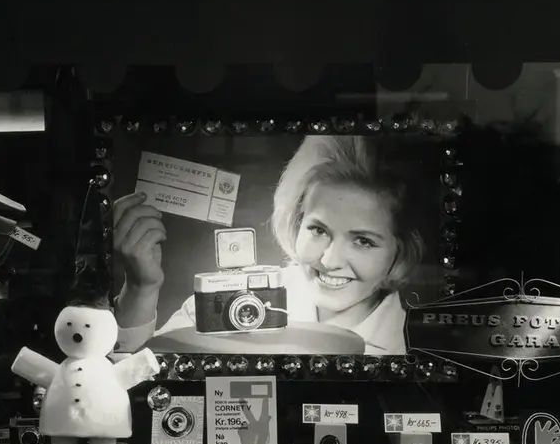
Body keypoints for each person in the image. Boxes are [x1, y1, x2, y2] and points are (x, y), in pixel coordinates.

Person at [112, 135, 432, 355]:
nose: (330, 259)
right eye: (318, 229)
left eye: (363, 241)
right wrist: (142, 288)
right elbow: (138, 385)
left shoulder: (421, 340)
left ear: (401, 249)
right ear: (295, 222)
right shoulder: (235, 296)